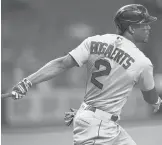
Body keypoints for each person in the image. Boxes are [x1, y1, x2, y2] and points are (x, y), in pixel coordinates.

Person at [10, 4, 162, 145]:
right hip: (98, 129)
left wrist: (27, 82)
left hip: (99, 122)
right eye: (144, 24)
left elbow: (61, 64)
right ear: (132, 28)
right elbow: (150, 97)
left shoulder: (94, 41)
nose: (148, 27)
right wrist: (156, 102)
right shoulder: (142, 62)